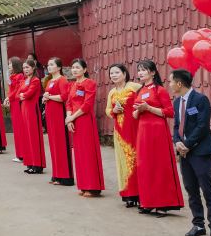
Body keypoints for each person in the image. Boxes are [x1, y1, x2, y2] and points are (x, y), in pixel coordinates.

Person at [168, 68, 211, 236]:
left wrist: (187, 144)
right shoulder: (177, 102)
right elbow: (177, 126)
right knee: (191, 189)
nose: (169, 85)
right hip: (185, 153)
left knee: (207, 188)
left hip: (200, 151)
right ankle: (198, 224)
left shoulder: (200, 99)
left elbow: (202, 126)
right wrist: (177, 142)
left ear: (179, 83)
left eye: (171, 82)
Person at [131, 60, 184, 217]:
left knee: (159, 166)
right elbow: (134, 115)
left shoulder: (160, 90)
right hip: (143, 132)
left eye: (144, 70)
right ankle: (147, 201)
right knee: (145, 166)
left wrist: (148, 108)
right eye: (139, 70)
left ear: (153, 72)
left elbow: (169, 112)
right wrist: (139, 111)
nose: (140, 73)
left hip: (157, 132)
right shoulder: (139, 91)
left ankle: (163, 204)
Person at [65, 59, 103, 197]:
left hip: (85, 120)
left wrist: (72, 117)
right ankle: (83, 184)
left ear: (85, 70)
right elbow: (68, 103)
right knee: (79, 153)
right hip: (74, 120)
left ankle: (92, 186)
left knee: (88, 152)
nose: (74, 70)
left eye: (77, 67)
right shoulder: (72, 85)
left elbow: (87, 105)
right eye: (73, 67)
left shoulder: (90, 83)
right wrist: (69, 119)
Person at [105, 64, 141, 208]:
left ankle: (141, 193)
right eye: (111, 73)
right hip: (120, 132)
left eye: (117, 72)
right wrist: (113, 110)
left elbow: (147, 98)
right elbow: (107, 110)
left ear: (125, 74)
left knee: (137, 160)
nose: (113, 75)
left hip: (135, 129)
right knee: (123, 162)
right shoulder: (112, 92)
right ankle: (128, 195)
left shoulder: (134, 87)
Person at [42, 57, 73, 186]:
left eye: (52, 65)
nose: (49, 67)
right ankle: (56, 174)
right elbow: (49, 95)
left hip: (59, 115)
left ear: (59, 67)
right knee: (54, 144)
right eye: (48, 65)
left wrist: (49, 97)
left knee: (61, 144)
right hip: (50, 115)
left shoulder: (62, 80)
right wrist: (45, 99)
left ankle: (65, 176)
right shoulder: (49, 81)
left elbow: (64, 97)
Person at [17, 59, 45, 174]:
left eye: (28, 67)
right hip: (24, 109)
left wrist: (23, 94)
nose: (25, 70)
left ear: (33, 68)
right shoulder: (24, 80)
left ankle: (37, 164)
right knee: (26, 136)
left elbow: (29, 93)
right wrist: (22, 94)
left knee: (33, 136)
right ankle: (30, 163)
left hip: (32, 110)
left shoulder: (35, 80)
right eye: (24, 68)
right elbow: (19, 93)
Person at [7, 57, 24, 161]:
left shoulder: (20, 76)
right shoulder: (12, 76)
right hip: (13, 102)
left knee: (19, 128)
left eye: (10, 64)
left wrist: (9, 97)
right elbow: (11, 90)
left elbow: (18, 90)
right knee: (16, 129)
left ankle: (22, 154)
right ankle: (19, 153)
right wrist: (8, 98)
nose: (9, 66)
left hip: (18, 103)